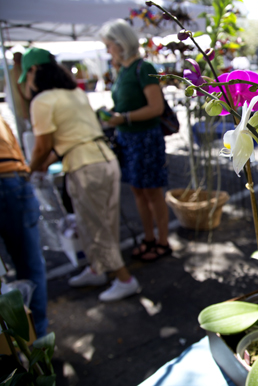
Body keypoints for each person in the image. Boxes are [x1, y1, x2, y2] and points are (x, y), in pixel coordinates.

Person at [22, 47, 140, 302]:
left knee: (96, 225)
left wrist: (29, 170)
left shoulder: (41, 101)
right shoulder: (75, 92)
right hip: (105, 160)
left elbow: (43, 147)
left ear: (34, 71)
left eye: (26, 76)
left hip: (84, 167)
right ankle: (98, 268)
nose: (26, 83)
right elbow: (73, 139)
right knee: (104, 223)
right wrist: (43, 163)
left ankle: (124, 278)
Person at [99, 19, 171, 261]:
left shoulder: (143, 67)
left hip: (145, 140)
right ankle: (149, 238)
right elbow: (125, 104)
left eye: (109, 45)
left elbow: (156, 107)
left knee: (152, 192)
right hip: (128, 140)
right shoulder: (122, 71)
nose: (108, 50)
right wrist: (114, 115)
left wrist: (124, 117)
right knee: (138, 191)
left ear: (120, 44)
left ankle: (163, 241)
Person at [0, 117, 48, 336]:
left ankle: (26, 344)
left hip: (12, 176)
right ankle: (35, 342)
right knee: (30, 266)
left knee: (29, 267)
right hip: (14, 177)